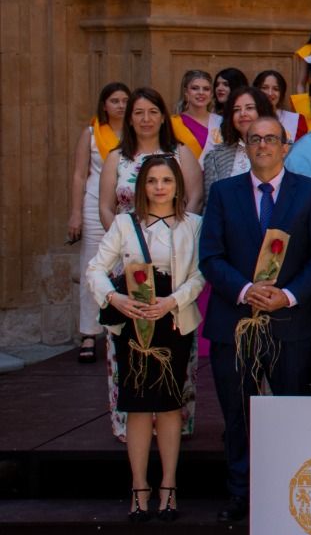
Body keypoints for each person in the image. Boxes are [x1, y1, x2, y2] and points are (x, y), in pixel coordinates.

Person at [198, 115, 311, 522]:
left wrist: (287, 295)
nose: (263, 146)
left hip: (291, 323)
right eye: (255, 139)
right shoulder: (223, 193)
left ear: (285, 146)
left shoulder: (310, 192)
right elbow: (210, 256)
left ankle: (290, 490)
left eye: (271, 139)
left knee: (290, 411)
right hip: (234, 321)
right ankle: (241, 494)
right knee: (238, 414)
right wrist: (244, 290)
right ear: (246, 145)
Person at [85, 155, 205, 522]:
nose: (159, 187)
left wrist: (173, 301)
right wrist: (114, 298)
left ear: (177, 186)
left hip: (173, 319)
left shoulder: (195, 225)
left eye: (166, 180)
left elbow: (199, 274)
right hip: (133, 317)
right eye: (152, 181)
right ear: (142, 187)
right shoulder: (124, 224)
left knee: (169, 404)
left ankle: (168, 486)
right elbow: (96, 268)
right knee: (137, 405)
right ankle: (139, 488)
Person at [69, 81, 130, 362]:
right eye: (114, 100)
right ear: (104, 104)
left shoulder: (135, 134)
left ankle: (120, 328)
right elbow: (80, 175)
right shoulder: (92, 133)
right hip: (94, 206)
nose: (120, 105)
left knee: (127, 266)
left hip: (127, 205)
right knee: (93, 266)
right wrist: (75, 213)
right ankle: (89, 333)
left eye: (124, 100)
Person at [99, 88, 203, 233]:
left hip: (174, 242)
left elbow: (196, 199)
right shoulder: (116, 157)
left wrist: (180, 233)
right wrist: (122, 240)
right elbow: (105, 208)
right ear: (129, 119)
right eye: (138, 113)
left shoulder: (181, 152)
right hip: (128, 245)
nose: (146, 119)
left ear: (163, 118)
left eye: (153, 112)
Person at [202, 87, 269, 203]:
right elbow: (210, 205)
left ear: (262, 111)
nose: (243, 114)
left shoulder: (282, 151)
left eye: (249, 108)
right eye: (236, 110)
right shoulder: (215, 157)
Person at [252, 70, 307, 144]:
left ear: (281, 94)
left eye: (276, 89)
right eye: (264, 88)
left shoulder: (296, 121)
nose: (270, 93)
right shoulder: (247, 118)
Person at [172, 70, 216, 159]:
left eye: (206, 89)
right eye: (195, 88)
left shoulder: (221, 122)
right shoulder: (173, 123)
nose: (201, 92)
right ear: (185, 92)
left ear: (211, 94)